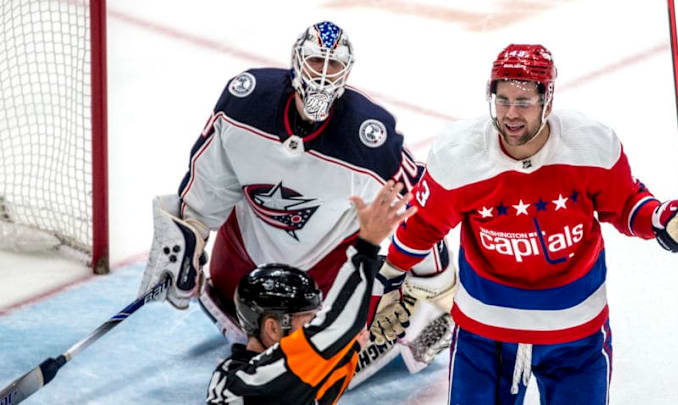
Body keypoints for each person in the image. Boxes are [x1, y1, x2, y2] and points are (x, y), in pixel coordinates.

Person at [382, 44, 678, 404]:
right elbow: (423, 224)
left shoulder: (591, 145)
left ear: (548, 100)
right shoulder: (459, 156)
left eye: (524, 102)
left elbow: (628, 205)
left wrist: (665, 220)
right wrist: (389, 277)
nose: (511, 113)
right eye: (503, 99)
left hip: (575, 336)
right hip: (486, 338)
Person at [136, 20, 457, 384]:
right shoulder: (245, 105)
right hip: (238, 275)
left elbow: (418, 213)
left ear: (347, 72)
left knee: (318, 367)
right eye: (316, 61)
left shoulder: (368, 140)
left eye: (333, 66)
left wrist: (434, 287)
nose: (322, 75)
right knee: (308, 359)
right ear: (295, 61)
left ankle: (349, 330)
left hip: (324, 278)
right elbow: (207, 189)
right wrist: (185, 243)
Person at [205, 181, 415, 404]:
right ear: (273, 327)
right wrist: (368, 245)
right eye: (308, 323)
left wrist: (351, 346)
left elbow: (319, 383)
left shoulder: (277, 378)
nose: (314, 328)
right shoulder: (253, 382)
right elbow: (334, 327)